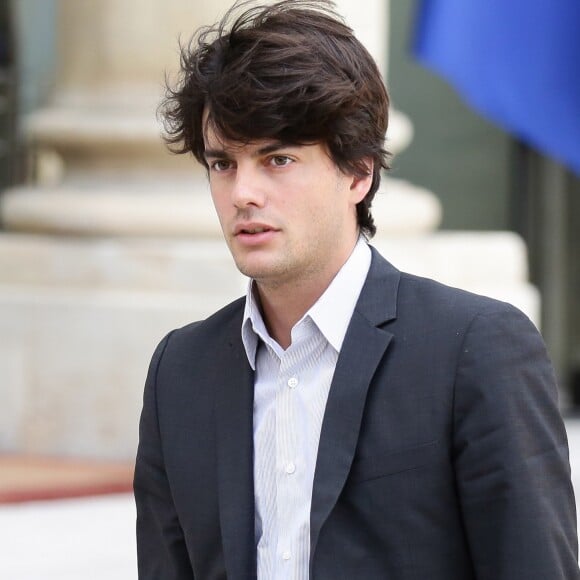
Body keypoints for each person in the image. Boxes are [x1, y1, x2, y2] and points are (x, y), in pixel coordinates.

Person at [133, 1, 579, 578]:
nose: (243, 191)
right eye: (223, 164)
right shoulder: (181, 370)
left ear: (359, 172)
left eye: (278, 159)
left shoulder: (475, 349)